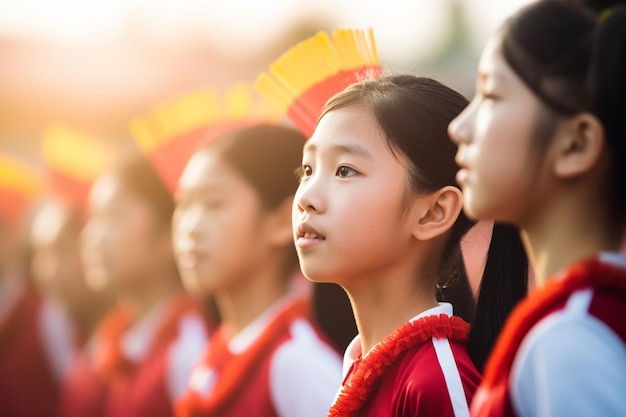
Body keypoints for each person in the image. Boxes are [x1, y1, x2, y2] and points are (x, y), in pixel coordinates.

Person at [447, 1, 626, 415]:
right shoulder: (584, 322)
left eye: (491, 95)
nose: (459, 127)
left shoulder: (571, 341)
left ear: (575, 144)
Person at [294, 74, 490, 417]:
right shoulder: (363, 364)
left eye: (344, 170)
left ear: (433, 212)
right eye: (308, 169)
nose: (306, 198)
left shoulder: (437, 380)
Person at [173, 123, 343, 417]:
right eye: (183, 205)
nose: (189, 228)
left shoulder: (297, 363)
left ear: (280, 221)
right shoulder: (219, 349)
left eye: (213, 204)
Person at [77, 145, 209, 417]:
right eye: (91, 218)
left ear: (167, 231)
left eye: (112, 217)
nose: (91, 236)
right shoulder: (114, 342)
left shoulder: (189, 350)